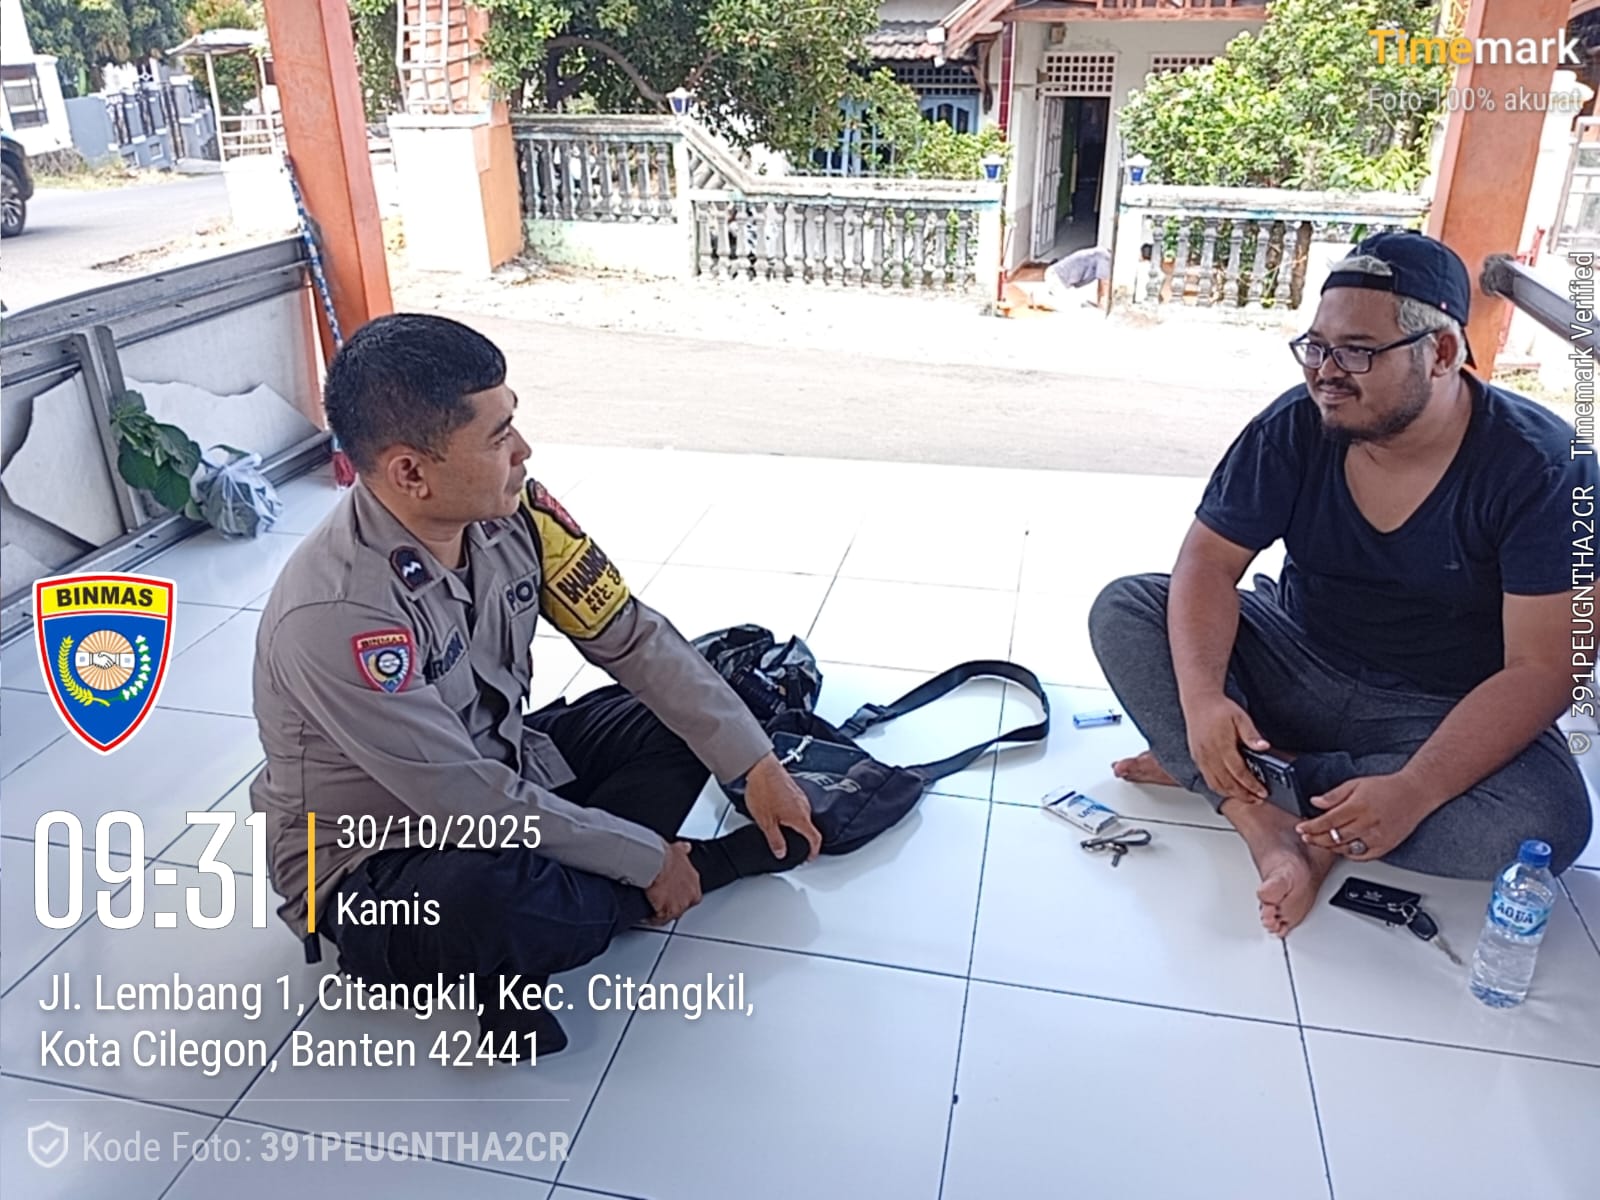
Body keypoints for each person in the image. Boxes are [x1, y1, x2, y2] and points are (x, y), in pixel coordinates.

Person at [250, 314, 822, 1054]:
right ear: (411, 473)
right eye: (498, 438)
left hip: (510, 765)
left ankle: (556, 928)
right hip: (381, 857)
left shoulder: (514, 512)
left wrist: (755, 765)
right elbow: (461, 800)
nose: (523, 450)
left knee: (694, 715)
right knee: (489, 903)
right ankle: (677, 874)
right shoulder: (339, 614)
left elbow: (632, 637)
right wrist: (649, 858)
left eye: (512, 421)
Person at [1088, 231, 1595, 935]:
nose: (1326, 374)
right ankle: (1262, 818)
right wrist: (1203, 701)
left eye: (1357, 351)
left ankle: (1256, 777)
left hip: (1435, 712)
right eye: (1315, 347)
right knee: (1128, 607)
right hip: (1298, 658)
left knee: (1544, 824)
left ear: (1442, 352)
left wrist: (1416, 788)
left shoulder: (1546, 468)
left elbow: (1545, 668)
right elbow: (1207, 562)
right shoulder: (1295, 425)